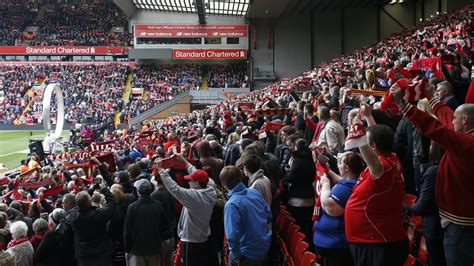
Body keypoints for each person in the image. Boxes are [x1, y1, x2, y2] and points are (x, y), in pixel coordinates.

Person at [391, 84, 474, 266]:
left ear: (465, 121)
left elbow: (435, 128)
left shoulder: (466, 144)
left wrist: (403, 105)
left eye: (456, 120)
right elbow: (446, 118)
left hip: (462, 226)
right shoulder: (466, 137)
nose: (452, 122)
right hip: (459, 222)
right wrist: (432, 98)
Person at [344, 108, 408, 266]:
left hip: (377, 245)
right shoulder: (391, 158)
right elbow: (378, 135)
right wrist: (368, 116)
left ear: (372, 146)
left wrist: (359, 136)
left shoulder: (382, 168)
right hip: (373, 241)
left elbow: (372, 158)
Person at [156, 160, 217, 266]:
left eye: (191, 181)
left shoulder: (195, 197)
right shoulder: (210, 190)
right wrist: (183, 160)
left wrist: (161, 170)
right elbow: (197, 173)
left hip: (191, 243)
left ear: (197, 183)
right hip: (202, 239)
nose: (189, 183)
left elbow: (174, 189)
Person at [314, 152, 364, 266]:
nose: (338, 166)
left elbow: (329, 206)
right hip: (330, 244)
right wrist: (328, 170)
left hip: (336, 246)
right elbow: (341, 180)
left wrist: (325, 184)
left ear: (347, 167)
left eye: (340, 163)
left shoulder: (349, 187)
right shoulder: (348, 183)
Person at [220, 166, 272, 266]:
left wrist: (236, 257)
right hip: (264, 247)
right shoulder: (254, 193)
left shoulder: (232, 205)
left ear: (224, 184)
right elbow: (268, 215)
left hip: (247, 254)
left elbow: (232, 236)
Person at [124, 179, 170, 266]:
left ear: (138, 191)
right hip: (155, 248)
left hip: (137, 249)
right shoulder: (159, 205)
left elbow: (127, 230)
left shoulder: (132, 207)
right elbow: (165, 227)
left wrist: (127, 248)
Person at [69, 187, 116, 265]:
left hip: (84, 257)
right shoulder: (99, 215)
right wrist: (104, 189)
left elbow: (80, 202)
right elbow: (113, 204)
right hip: (101, 254)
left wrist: (89, 191)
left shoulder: (73, 216)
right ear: (90, 201)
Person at [282, 137, 316, 246]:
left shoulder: (298, 160)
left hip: (298, 197)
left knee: (299, 226)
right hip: (309, 196)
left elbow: (293, 176)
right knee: (307, 225)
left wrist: (284, 179)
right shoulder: (311, 159)